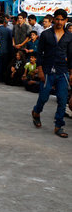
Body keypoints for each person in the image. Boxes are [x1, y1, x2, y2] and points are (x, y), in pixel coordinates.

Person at [31, 9, 72, 138]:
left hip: (62, 71)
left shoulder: (69, 36)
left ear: (66, 21)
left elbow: (71, 56)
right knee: (44, 97)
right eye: (57, 19)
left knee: (62, 98)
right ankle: (36, 112)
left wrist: (71, 73)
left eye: (62, 19)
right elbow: (39, 53)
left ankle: (58, 126)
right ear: (54, 19)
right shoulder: (46, 34)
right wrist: (40, 70)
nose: (59, 22)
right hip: (48, 70)